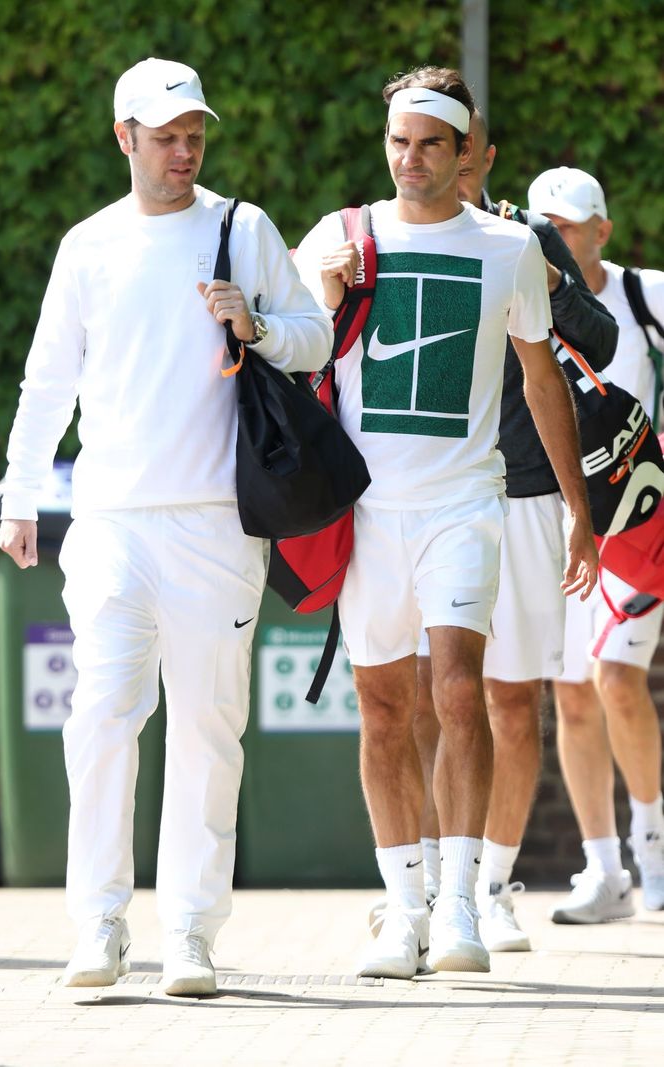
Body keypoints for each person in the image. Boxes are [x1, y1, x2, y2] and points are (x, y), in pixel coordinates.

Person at [0, 57, 332, 995]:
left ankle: (188, 931)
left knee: (209, 728)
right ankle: (98, 923)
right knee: (100, 717)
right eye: (166, 135)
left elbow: (315, 338)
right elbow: (48, 378)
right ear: (125, 138)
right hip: (108, 522)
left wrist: (256, 323)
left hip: (220, 523)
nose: (184, 151)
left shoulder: (243, 228)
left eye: (195, 135)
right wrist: (23, 495)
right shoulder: (88, 245)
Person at [294, 66, 598, 980]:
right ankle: (405, 908)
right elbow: (293, 354)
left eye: (431, 143)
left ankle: (462, 904)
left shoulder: (506, 248)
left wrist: (581, 508)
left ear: (466, 152)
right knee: (384, 707)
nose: (411, 159)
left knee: (459, 690)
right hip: (367, 512)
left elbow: (543, 379)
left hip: (466, 502)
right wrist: (326, 293)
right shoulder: (338, 238)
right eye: (398, 141)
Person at [406, 116, 618, 954]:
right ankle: (420, 883)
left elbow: (596, 339)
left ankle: (488, 887)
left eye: (451, 150)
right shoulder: (386, 234)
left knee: (508, 699)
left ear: (481, 159)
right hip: (427, 495)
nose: (432, 165)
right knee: (427, 690)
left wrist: (542, 271)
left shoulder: (525, 236)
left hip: (525, 494)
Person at [527, 166, 664, 923]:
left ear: (602, 230)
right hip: (554, 526)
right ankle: (605, 871)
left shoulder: (645, 294)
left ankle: (654, 848)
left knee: (616, 679)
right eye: (547, 223)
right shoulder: (521, 292)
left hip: (637, 527)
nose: (558, 236)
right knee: (572, 695)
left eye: (572, 225)